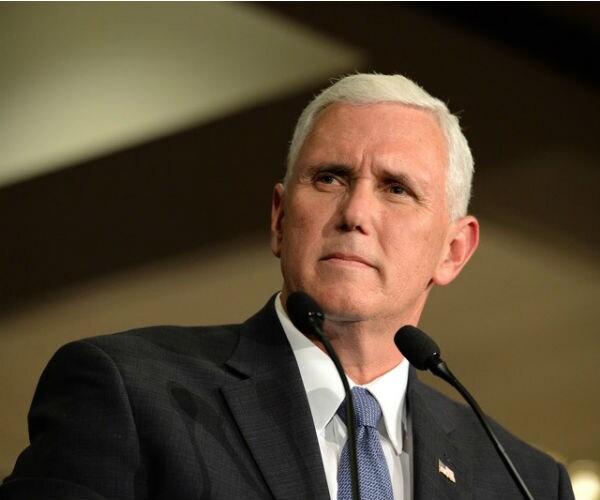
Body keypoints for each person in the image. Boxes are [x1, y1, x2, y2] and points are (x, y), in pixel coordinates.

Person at [0, 74, 574, 499]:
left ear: (453, 250)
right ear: (279, 218)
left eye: (396, 189)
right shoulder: (129, 392)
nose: (355, 213)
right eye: (330, 178)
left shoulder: (522, 481)